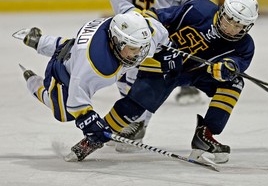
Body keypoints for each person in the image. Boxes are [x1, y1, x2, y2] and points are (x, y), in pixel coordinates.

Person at [103, 0, 259, 163]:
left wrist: (227, 69)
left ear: (247, 27)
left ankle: (205, 136)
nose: (230, 28)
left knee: (234, 82)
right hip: (164, 64)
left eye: (238, 26)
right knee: (134, 107)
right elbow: (159, 16)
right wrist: (147, 21)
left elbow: (235, 64)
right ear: (222, 12)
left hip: (197, 73)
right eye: (228, 20)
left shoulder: (245, 46)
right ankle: (97, 133)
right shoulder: (199, 10)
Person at [13, 11, 170, 161]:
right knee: (63, 112)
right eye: (133, 48)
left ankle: (38, 40)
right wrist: (89, 121)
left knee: (72, 47)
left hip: (78, 48)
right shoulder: (93, 64)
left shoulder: (143, 32)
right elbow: (76, 101)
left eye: (141, 47)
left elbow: (160, 34)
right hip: (64, 72)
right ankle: (33, 82)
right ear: (117, 41)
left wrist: (170, 48)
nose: (138, 54)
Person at [105, 0, 205, 150]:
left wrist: (181, 28)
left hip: (169, 37)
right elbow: (126, 13)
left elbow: (196, 3)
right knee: (123, 75)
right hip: (137, 35)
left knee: (150, 79)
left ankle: (137, 123)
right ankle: (134, 121)